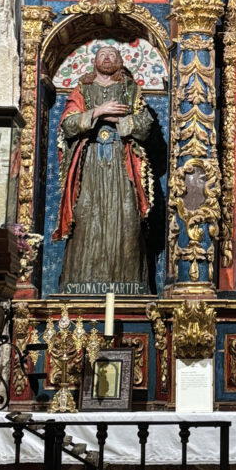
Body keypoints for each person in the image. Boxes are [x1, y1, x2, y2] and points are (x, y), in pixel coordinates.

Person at [53, 45, 153, 289]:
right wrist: (99, 111)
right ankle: (79, 285)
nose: (107, 58)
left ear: (120, 61)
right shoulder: (82, 89)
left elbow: (145, 125)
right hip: (90, 162)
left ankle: (129, 286)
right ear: (94, 61)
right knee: (86, 219)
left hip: (122, 163)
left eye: (112, 55)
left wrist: (116, 119)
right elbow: (67, 124)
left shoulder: (131, 89)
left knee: (127, 220)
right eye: (102, 55)